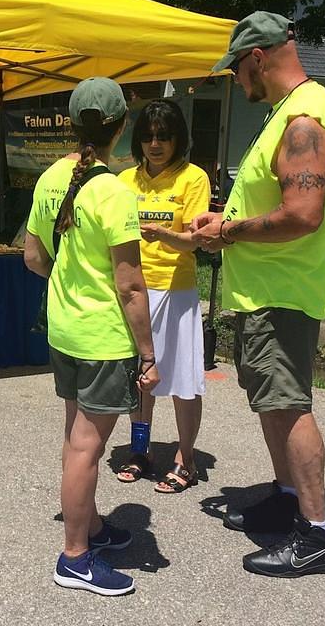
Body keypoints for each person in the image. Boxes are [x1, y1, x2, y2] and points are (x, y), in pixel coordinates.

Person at [191, 12, 325, 577]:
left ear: (257, 57)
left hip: (283, 290)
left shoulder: (305, 119)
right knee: (274, 404)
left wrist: (228, 232)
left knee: (289, 406)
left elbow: (303, 214)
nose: (236, 80)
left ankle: (315, 535)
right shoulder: (295, 112)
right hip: (267, 289)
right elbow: (276, 202)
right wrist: (228, 217)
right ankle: (287, 498)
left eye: (236, 69)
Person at [24, 77, 160, 597]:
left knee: (75, 436)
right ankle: (75, 557)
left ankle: (93, 526)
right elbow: (129, 286)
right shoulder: (114, 191)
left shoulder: (50, 178)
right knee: (87, 445)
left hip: (63, 329)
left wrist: (70, 280)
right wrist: (148, 352)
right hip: (103, 338)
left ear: (71, 121)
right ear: (121, 128)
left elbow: (33, 257)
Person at [116, 99, 210, 493]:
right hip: (134, 289)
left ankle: (185, 460)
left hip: (175, 289)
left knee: (183, 381)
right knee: (141, 379)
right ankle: (140, 451)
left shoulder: (193, 178)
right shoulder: (124, 181)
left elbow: (198, 240)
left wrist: (167, 236)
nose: (155, 144)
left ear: (178, 140)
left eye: (164, 137)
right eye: (149, 137)